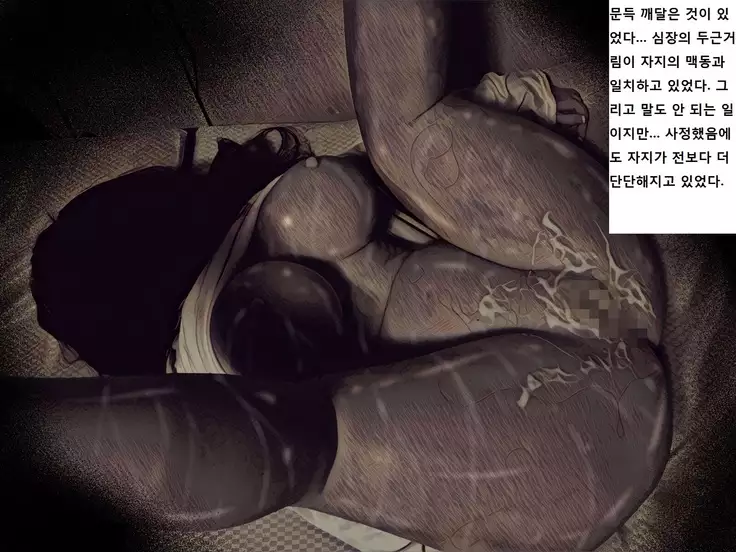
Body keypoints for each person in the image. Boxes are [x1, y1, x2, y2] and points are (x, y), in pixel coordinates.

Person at [13, 1, 669, 551]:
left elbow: (436, 174)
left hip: (592, 355)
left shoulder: (249, 229)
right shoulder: (210, 339)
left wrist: (509, 108)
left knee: (398, 144)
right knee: (293, 417)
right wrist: (518, 106)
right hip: (570, 384)